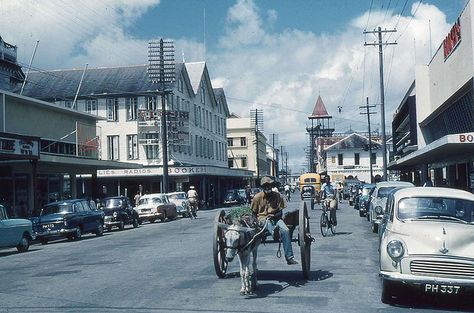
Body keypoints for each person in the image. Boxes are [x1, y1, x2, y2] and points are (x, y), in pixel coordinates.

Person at [251, 176, 298, 265]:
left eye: (269, 185)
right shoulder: (257, 197)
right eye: (265, 186)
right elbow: (253, 213)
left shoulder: (278, 196)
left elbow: (280, 212)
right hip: (262, 219)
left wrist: (274, 216)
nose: (267, 187)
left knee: (286, 230)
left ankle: (289, 257)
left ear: (272, 186)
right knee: (267, 223)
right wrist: (256, 222)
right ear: (262, 187)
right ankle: (274, 232)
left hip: (276, 218)